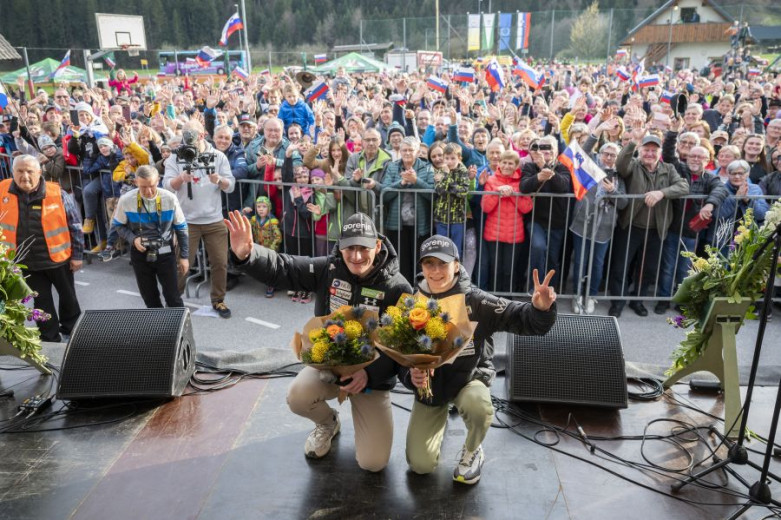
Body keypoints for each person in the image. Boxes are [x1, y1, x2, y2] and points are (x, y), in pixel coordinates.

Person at [225, 211, 412, 472]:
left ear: (378, 245)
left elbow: (402, 349)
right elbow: (285, 267)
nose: (356, 256)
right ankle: (328, 422)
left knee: (373, 463)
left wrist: (369, 374)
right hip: (328, 369)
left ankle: (363, 410)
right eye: (350, 248)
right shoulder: (328, 269)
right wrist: (248, 254)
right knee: (297, 396)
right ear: (340, 246)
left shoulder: (398, 288)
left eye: (363, 248)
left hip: (371, 381)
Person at [401, 235, 557, 484]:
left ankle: (473, 449)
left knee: (479, 406)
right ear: (421, 266)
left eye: (443, 263)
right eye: (429, 263)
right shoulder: (410, 302)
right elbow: (398, 353)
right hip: (432, 390)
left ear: (456, 265)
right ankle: (438, 420)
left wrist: (540, 309)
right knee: (420, 466)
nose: (436, 270)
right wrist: (410, 375)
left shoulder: (476, 299)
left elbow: (520, 317)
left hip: (468, 379)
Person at [0, 155, 83, 342]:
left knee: (68, 298)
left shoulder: (58, 194)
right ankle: (49, 338)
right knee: (41, 302)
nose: (25, 176)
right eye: (20, 171)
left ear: (39, 172)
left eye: (29, 171)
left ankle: (73, 332)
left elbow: (76, 226)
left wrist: (77, 256)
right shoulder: (2, 191)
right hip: (28, 263)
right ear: (13, 172)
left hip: (58, 260)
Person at [609, 132, 690, 318]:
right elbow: (620, 166)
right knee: (621, 267)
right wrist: (632, 143)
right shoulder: (633, 165)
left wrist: (662, 193)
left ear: (659, 152)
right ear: (640, 150)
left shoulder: (668, 168)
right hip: (630, 226)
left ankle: (637, 301)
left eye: (654, 150)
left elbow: (684, 186)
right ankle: (617, 302)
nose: (650, 154)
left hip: (656, 229)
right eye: (646, 149)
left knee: (647, 269)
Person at [163, 121, 235, 318]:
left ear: (202, 135)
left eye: (191, 136)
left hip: (214, 220)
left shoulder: (218, 156)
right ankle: (174, 302)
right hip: (187, 221)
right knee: (182, 263)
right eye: (185, 136)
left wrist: (219, 180)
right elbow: (167, 185)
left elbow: (230, 185)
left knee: (220, 262)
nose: (188, 141)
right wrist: (181, 178)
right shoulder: (176, 157)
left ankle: (218, 300)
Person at [111, 166, 189, 308]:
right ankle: (157, 323)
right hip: (139, 252)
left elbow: (181, 228)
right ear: (135, 182)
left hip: (165, 251)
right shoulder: (126, 200)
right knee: (149, 297)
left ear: (158, 180)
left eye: (152, 186)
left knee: (173, 297)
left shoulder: (170, 198)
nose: (148, 191)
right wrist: (133, 239)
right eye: (143, 187)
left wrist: (184, 257)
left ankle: (178, 323)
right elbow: (118, 225)